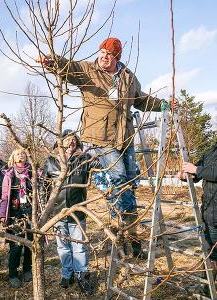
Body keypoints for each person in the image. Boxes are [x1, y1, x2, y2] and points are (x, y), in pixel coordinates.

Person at [37, 37, 177, 258]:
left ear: (117, 57)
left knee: (130, 185)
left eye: (109, 54)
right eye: (102, 52)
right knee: (119, 178)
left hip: (125, 138)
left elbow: (140, 99)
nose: (103, 56)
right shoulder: (88, 71)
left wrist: (163, 105)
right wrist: (51, 61)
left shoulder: (128, 77)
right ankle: (122, 232)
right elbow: (69, 67)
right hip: (100, 139)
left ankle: (128, 235)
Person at [40, 129, 98, 295]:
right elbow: (43, 187)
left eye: (74, 140)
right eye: (68, 139)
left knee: (79, 246)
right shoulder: (51, 161)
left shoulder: (83, 159)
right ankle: (67, 274)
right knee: (63, 247)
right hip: (58, 212)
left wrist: (90, 154)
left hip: (77, 211)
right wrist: (46, 210)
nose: (71, 142)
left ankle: (82, 276)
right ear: (60, 143)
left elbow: (100, 165)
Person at [177, 143, 217, 273]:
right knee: (210, 252)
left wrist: (196, 170)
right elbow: (199, 171)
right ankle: (207, 290)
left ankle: (207, 290)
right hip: (210, 212)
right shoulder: (211, 151)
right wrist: (187, 175)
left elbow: (213, 172)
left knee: (212, 254)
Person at [0, 148, 33, 288]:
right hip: (15, 213)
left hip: (30, 211)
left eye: (23, 153)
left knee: (30, 244)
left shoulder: (32, 172)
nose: (21, 156)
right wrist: (2, 215)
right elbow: (5, 196)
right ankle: (13, 274)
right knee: (16, 246)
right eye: (18, 154)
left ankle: (27, 270)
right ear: (13, 157)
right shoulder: (9, 175)